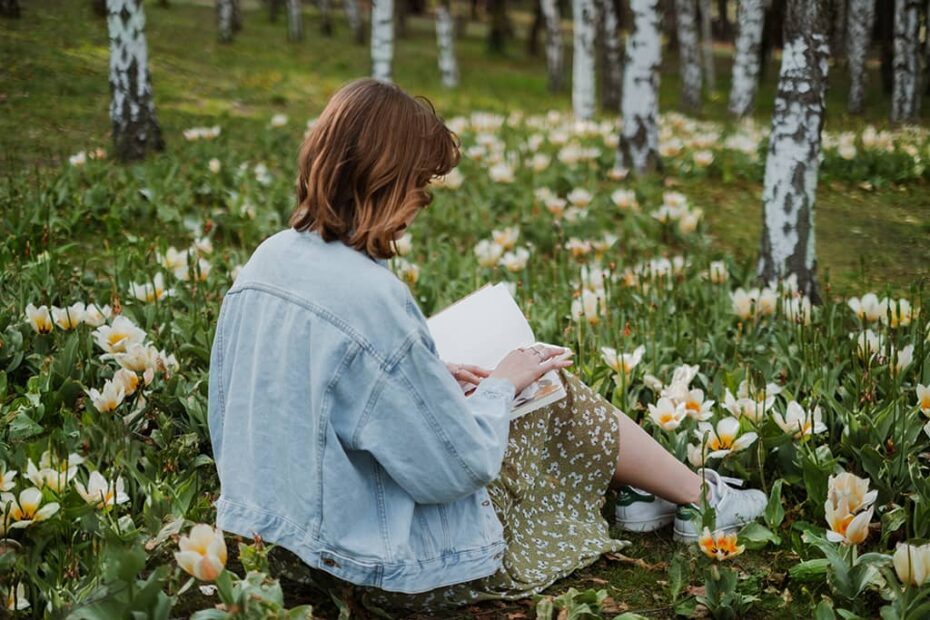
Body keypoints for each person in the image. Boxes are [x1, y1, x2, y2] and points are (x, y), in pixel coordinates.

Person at [205, 78, 766, 614]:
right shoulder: (373, 296)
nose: (420, 203)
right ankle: (702, 498)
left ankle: (648, 495)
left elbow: (261, 400)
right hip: (374, 567)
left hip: (277, 548)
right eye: (418, 185)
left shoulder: (267, 260)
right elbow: (456, 470)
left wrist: (427, 374)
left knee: (513, 386)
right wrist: (502, 383)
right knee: (549, 385)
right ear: (385, 180)